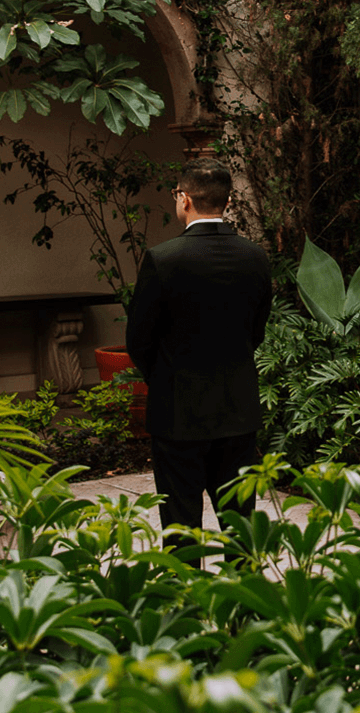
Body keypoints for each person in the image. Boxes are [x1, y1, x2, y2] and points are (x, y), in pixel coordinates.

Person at [126, 157, 272, 563]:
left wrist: (167, 376)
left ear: (184, 199)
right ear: (226, 201)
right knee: (240, 527)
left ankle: (188, 612)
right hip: (237, 410)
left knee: (180, 525)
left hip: (178, 413)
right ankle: (246, 611)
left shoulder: (163, 258)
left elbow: (138, 340)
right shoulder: (255, 257)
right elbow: (256, 330)